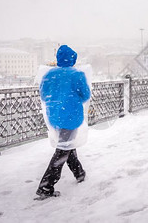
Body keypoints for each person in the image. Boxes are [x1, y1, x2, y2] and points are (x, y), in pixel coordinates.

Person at [36, 45, 91, 198]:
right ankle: (46, 187)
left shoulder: (49, 74)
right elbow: (85, 95)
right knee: (63, 149)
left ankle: (79, 173)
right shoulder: (77, 75)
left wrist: (57, 101)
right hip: (71, 116)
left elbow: (43, 94)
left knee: (66, 144)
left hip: (55, 116)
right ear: (73, 58)